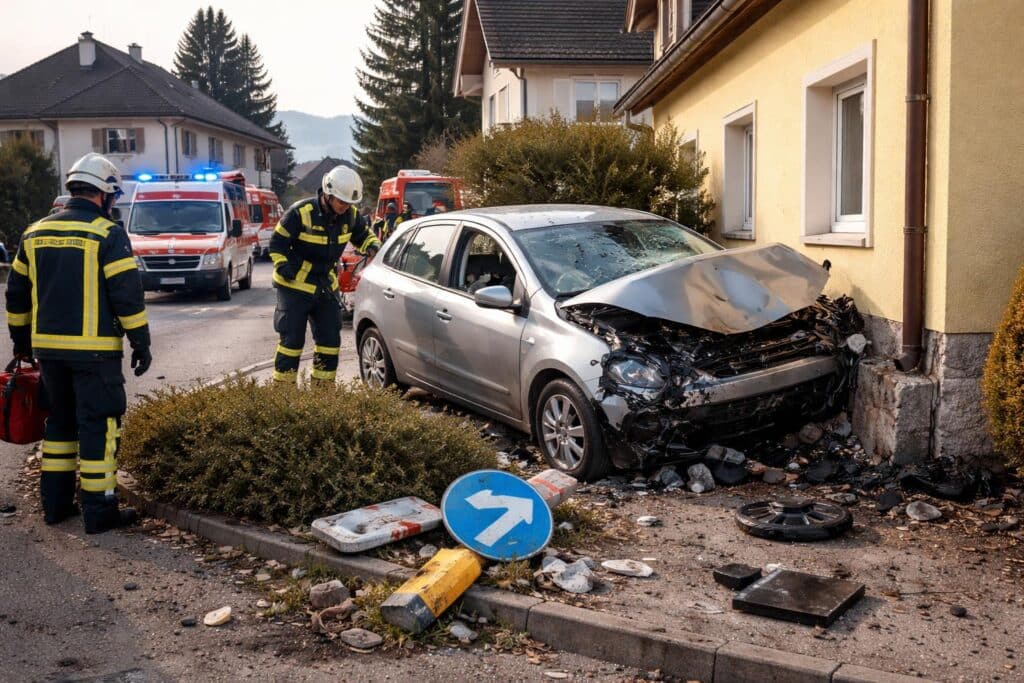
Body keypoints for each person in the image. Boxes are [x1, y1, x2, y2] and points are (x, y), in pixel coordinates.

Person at [5, 153, 152, 534]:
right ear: (104, 193)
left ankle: (55, 506)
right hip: (95, 352)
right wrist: (141, 342)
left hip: (48, 354)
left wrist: (21, 343)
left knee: (59, 425)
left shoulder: (33, 232)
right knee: (100, 427)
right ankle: (99, 511)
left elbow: (16, 295)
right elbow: (127, 297)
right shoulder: (107, 234)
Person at [269, 166, 380, 385]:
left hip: (325, 286)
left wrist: (372, 245)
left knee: (330, 341)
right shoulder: (300, 213)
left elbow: (363, 235)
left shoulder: (350, 215)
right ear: (327, 195)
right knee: (292, 342)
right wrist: (282, 265)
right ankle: (283, 397)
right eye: (341, 202)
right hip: (294, 286)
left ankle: (322, 397)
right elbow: (277, 243)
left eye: (349, 203)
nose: (345, 207)